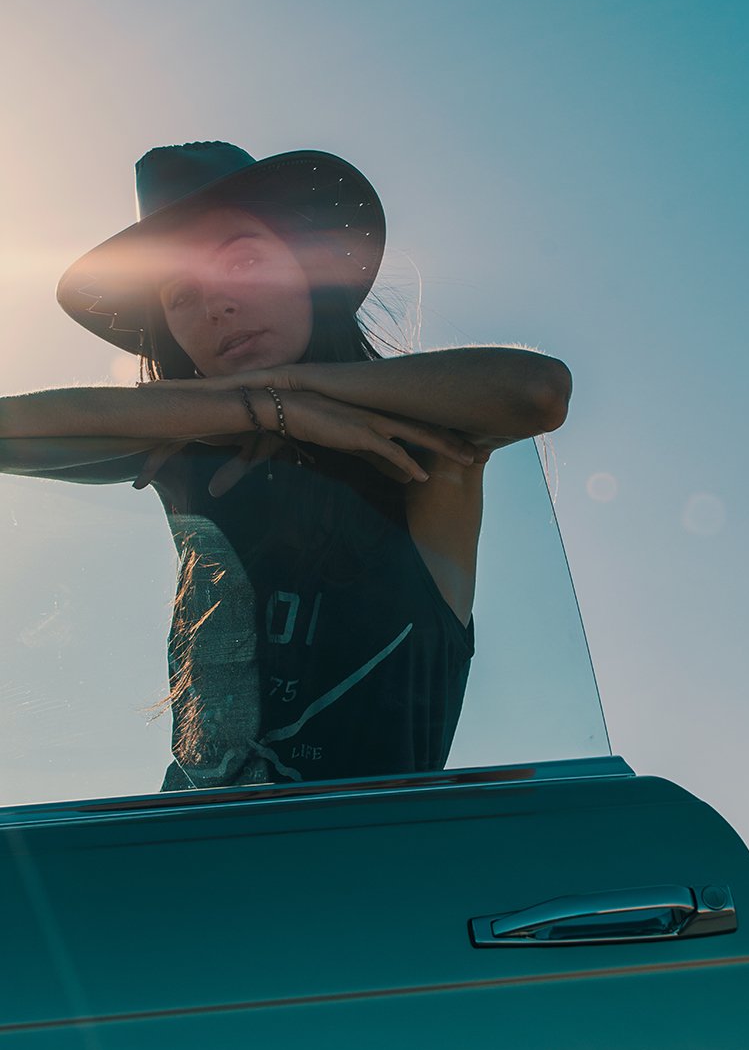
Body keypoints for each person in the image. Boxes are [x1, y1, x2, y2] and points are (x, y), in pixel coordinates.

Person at [0, 142, 571, 791]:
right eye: (179, 294)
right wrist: (262, 410)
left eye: (242, 259)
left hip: (363, 874)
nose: (215, 304)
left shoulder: (417, 455)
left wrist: (290, 387)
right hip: (185, 866)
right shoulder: (185, 456)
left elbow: (537, 391)